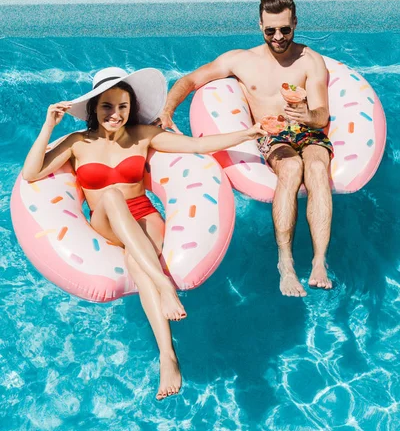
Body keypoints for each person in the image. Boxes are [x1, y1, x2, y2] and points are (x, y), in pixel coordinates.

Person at [22, 67, 264, 400]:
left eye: (122, 106)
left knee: (139, 263)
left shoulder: (143, 135)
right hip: (106, 220)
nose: (115, 114)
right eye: (107, 106)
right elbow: (31, 172)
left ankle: (168, 356)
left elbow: (197, 146)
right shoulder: (78, 143)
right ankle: (165, 285)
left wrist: (247, 133)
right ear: (94, 108)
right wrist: (49, 125)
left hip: (144, 215)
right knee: (110, 195)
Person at [157, 0, 333, 299]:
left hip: (307, 129)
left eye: (285, 30)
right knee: (291, 168)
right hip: (273, 133)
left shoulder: (310, 61)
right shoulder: (241, 60)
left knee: (317, 167)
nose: (278, 37)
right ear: (260, 25)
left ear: (294, 23)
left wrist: (306, 114)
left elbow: (321, 115)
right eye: (270, 31)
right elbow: (189, 80)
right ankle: (286, 262)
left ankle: (319, 262)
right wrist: (168, 109)